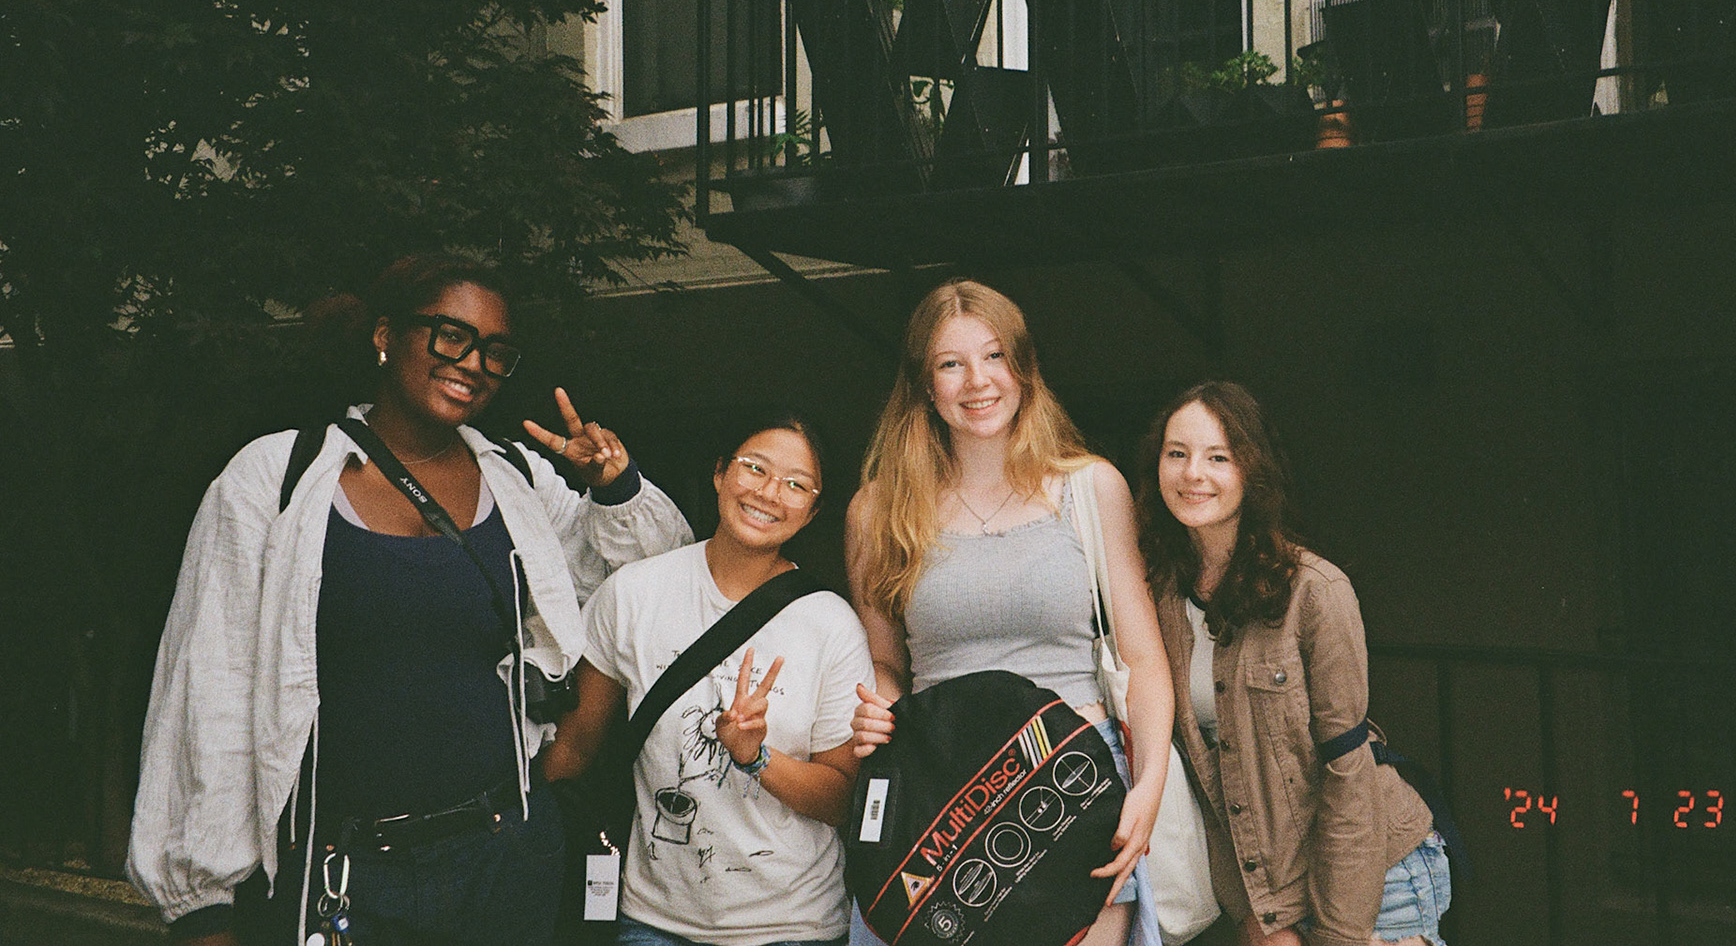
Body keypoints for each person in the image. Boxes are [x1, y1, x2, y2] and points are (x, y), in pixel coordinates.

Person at [128, 254, 693, 946]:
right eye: (452, 336)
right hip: (345, 874)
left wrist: (613, 486)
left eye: (496, 351)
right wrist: (204, 906)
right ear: (385, 336)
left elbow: (652, 583)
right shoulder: (278, 480)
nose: (474, 363)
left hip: (506, 862)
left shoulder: (518, 481)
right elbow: (210, 689)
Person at [845, 278, 1174, 946]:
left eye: (994, 356)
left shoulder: (1090, 488)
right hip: (943, 798)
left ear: (1024, 369)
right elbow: (885, 662)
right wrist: (878, 706)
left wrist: (1148, 788)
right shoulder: (878, 510)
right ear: (924, 384)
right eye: (951, 363)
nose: (978, 381)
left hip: (1075, 781)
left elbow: (1143, 659)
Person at [1136, 381, 1449, 946]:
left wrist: (1339, 935)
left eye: (1218, 457)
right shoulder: (1157, 598)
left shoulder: (1315, 592)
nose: (1192, 474)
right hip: (1271, 894)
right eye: (1176, 453)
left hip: (1374, 880)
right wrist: (1255, 917)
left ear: (1251, 470)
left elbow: (1349, 772)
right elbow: (1204, 785)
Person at [542, 413, 872, 946]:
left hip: (790, 927)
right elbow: (575, 747)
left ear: (813, 511)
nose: (769, 493)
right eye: (755, 468)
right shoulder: (634, 595)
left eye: (796, 485)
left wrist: (756, 756)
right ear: (720, 473)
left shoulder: (831, 625)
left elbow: (841, 797)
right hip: (652, 922)